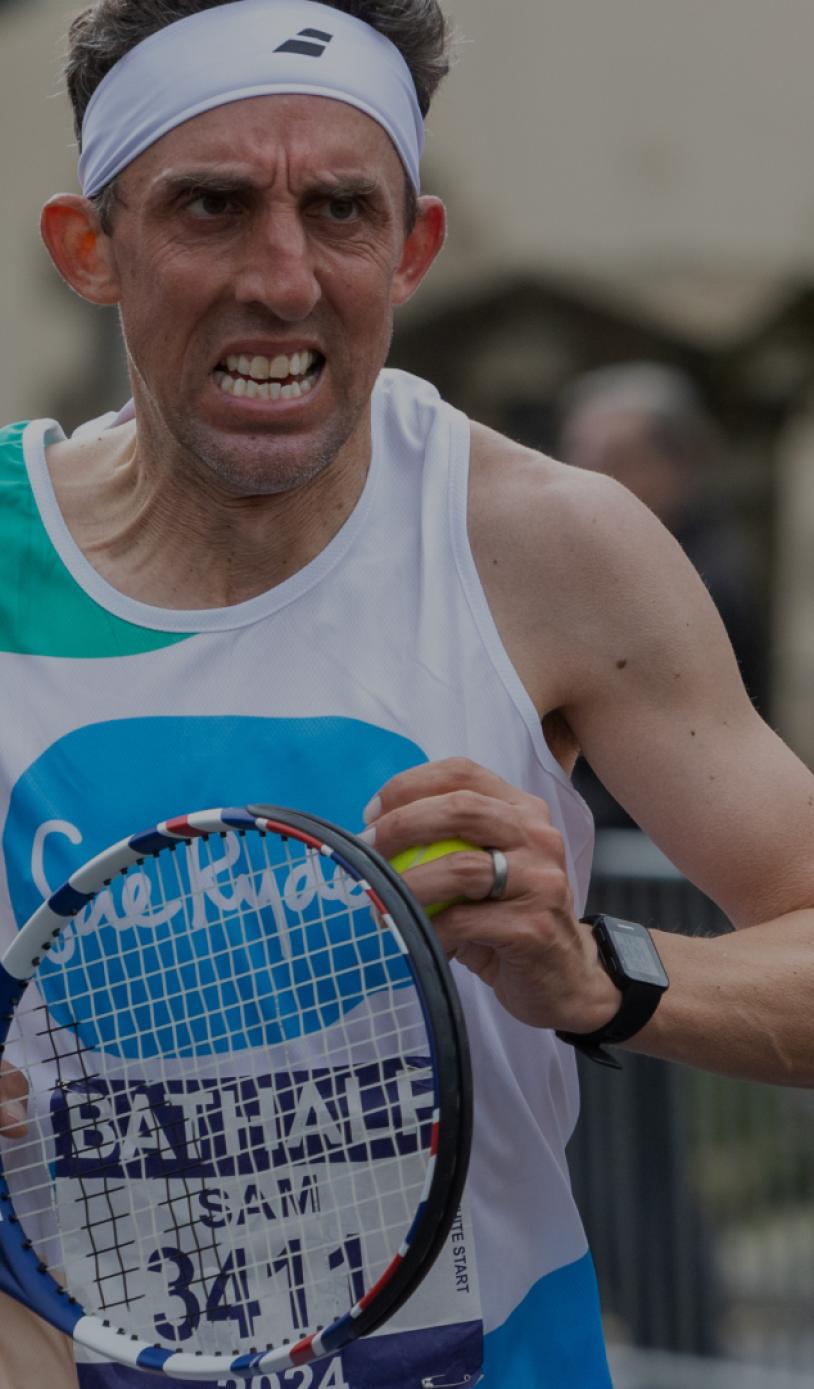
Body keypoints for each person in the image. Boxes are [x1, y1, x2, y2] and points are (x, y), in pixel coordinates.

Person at [2, 3, 814, 1387]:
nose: (283, 276)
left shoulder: (546, 543)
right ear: (92, 248)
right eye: (210, 206)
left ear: (413, 246)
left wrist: (595, 969)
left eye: (338, 210)